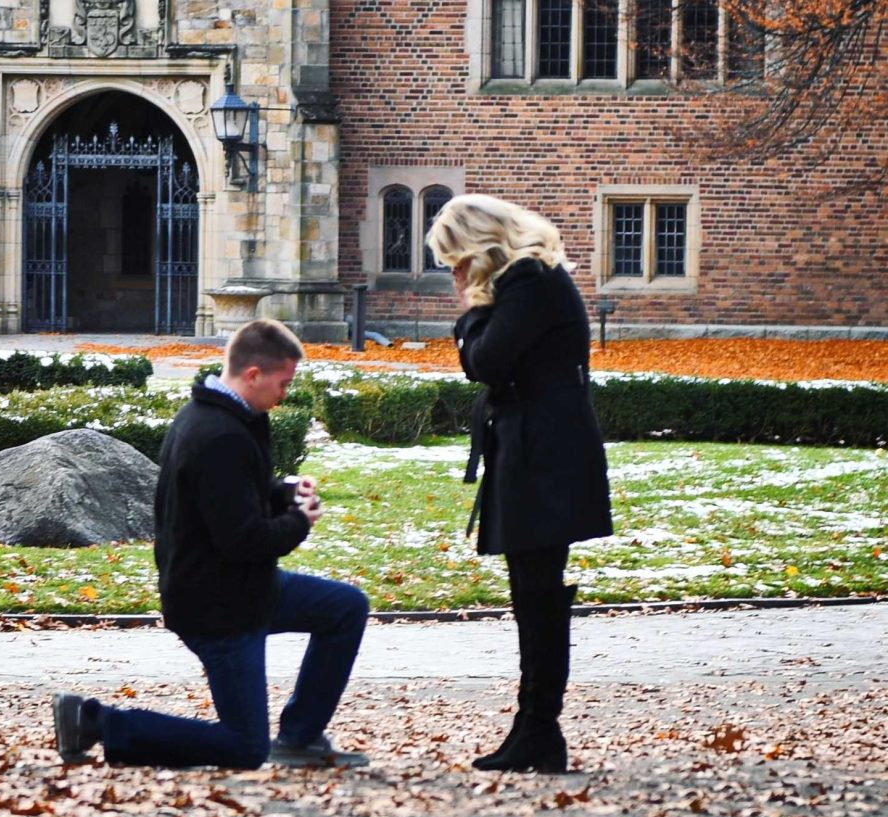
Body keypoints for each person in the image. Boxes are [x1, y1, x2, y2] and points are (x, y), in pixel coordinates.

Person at [52, 319, 370, 770]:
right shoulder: (219, 435)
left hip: (242, 589)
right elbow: (244, 540)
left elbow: (232, 497)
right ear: (254, 375)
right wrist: (299, 521)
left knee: (346, 607)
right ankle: (96, 722)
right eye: (284, 382)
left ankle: (300, 737)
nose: (286, 394)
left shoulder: (226, 417)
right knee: (244, 747)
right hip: (217, 607)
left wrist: (283, 492)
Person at [426, 194, 612, 774]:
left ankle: (539, 729)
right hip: (535, 446)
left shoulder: (529, 281)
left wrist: (470, 310)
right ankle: (535, 727)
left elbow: (486, 362)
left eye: (455, 262)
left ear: (480, 250)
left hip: (544, 452)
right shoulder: (526, 283)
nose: (455, 276)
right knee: (533, 593)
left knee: (537, 596)